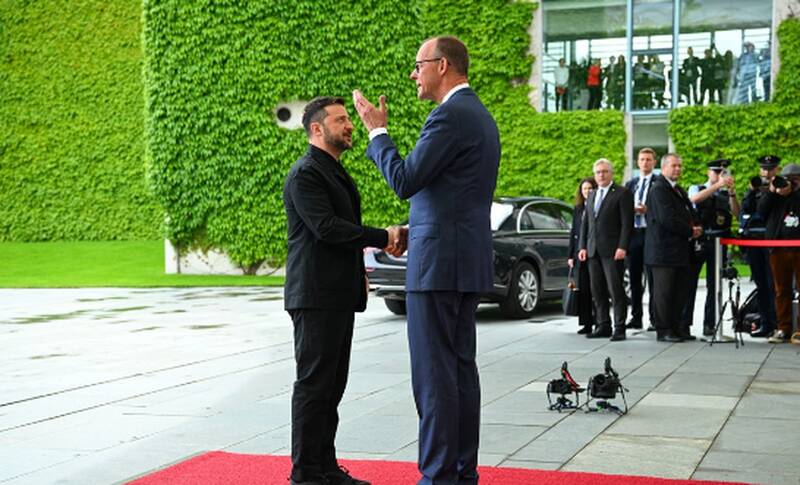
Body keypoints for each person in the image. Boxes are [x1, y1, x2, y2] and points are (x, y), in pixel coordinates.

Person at [352, 36, 500, 484]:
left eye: (418, 65)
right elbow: (447, 195)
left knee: (434, 377)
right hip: (462, 261)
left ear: (443, 65)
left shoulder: (449, 116)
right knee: (458, 373)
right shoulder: (479, 116)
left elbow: (405, 179)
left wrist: (377, 133)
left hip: (439, 267)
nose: (413, 74)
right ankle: (460, 473)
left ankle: (438, 477)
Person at [283, 96, 405, 485]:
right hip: (315, 296)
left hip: (335, 294)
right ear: (317, 129)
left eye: (348, 118)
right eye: (340, 119)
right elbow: (328, 228)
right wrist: (383, 237)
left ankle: (325, 467)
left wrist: (358, 273)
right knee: (314, 385)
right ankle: (305, 473)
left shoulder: (332, 171)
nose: (349, 124)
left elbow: (336, 233)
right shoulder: (306, 173)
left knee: (332, 386)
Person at [646, 153, 703, 342]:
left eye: (680, 166)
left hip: (679, 250)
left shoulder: (678, 190)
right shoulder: (658, 189)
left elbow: (689, 211)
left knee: (679, 291)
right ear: (663, 168)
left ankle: (677, 327)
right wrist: (690, 230)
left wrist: (696, 226)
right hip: (663, 251)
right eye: (673, 166)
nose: (677, 169)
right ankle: (663, 330)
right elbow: (667, 219)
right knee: (664, 292)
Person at [682, 159, 740, 337]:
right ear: (709, 173)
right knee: (689, 283)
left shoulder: (724, 193)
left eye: (723, 172)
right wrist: (717, 186)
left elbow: (737, 213)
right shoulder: (696, 187)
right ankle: (684, 324)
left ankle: (710, 324)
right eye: (716, 172)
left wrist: (731, 193)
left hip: (718, 242)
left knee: (714, 285)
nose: (719, 175)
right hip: (699, 241)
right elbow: (694, 200)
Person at [578, 159, 634, 341]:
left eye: (604, 171)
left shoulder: (622, 193)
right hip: (593, 250)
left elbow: (627, 223)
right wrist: (583, 247)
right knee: (597, 290)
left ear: (611, 173)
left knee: (615, 290)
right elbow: (586, 224)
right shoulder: (592, 194)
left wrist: (623, 246)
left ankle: (619, 327)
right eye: (598, 172)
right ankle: (603, 325)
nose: (601, 175)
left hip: (613, 250)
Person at [758, 163, 800, 344]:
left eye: (794, 180)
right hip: (778, 248)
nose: (788, 183)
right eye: (787, 179)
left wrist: (795, 191)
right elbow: (761, 211)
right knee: (781, 290)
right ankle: (783, 328)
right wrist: (772, 192)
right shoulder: (774, 195)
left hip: (798, 248)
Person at [740, 155, 780, 338]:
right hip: (755, 241)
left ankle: (780, 323)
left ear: (776, 170)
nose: (767, 172)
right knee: (761, 284)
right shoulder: (755, 190)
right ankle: (766, 322)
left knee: (775, 284)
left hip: (773, 242)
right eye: (764, 169)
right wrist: (750, 191)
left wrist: (773, 191)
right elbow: (745, 213)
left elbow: (765, 213)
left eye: (770, 169)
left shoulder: (781, 189)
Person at [625, 148, 658, 331]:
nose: (645, 162)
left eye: (648, 159)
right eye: (642, 159)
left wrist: (648, 210)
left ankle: (655, 318)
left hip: (651, 233)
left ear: (654, 162)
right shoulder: (631, 184)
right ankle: (636, 317)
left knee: (653, 278)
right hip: (634, 234)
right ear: (637, 162)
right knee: (634, 278)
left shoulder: (658, 183)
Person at [568, 177, 598, 334]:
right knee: (584, 290)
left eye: (590, 188)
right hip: (579, 255)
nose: (587, 192)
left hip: (593, 252)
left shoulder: (597, 206)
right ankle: (586, 323)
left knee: (597, 290)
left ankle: (599, 321)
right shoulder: (578, 209)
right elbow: (574, 232)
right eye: (584, 189)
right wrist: (571, 255)